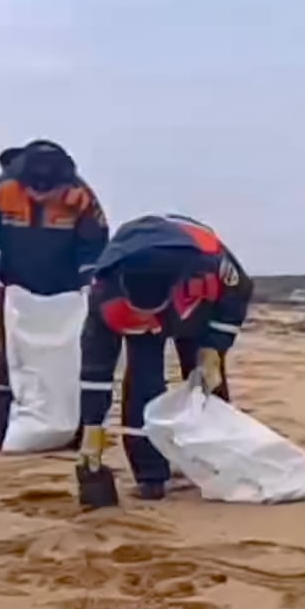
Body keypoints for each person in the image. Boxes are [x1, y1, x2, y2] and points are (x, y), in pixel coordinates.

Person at [77, 214, 252, 500]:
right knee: (143, 383)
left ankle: (216, 462)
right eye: (143, 313)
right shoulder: (104, 291)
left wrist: (214, 348)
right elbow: (97, 366)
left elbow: (237, 296)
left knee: (206, 383)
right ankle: (150, 475)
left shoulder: (211, 259)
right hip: (140, 327)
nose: (153, 320)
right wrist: (92, 427)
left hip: (195, 312)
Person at [0, 139, 107, 451]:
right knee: (10, 356)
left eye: (50, 190)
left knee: (73, 361)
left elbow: (93, 245)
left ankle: (76, 431)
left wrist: (89, 284)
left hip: (66, 294)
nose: (42, 196)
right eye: (35, 190)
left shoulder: (79, 196)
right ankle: (3, 432)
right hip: (14, 290)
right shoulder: (1, 191)